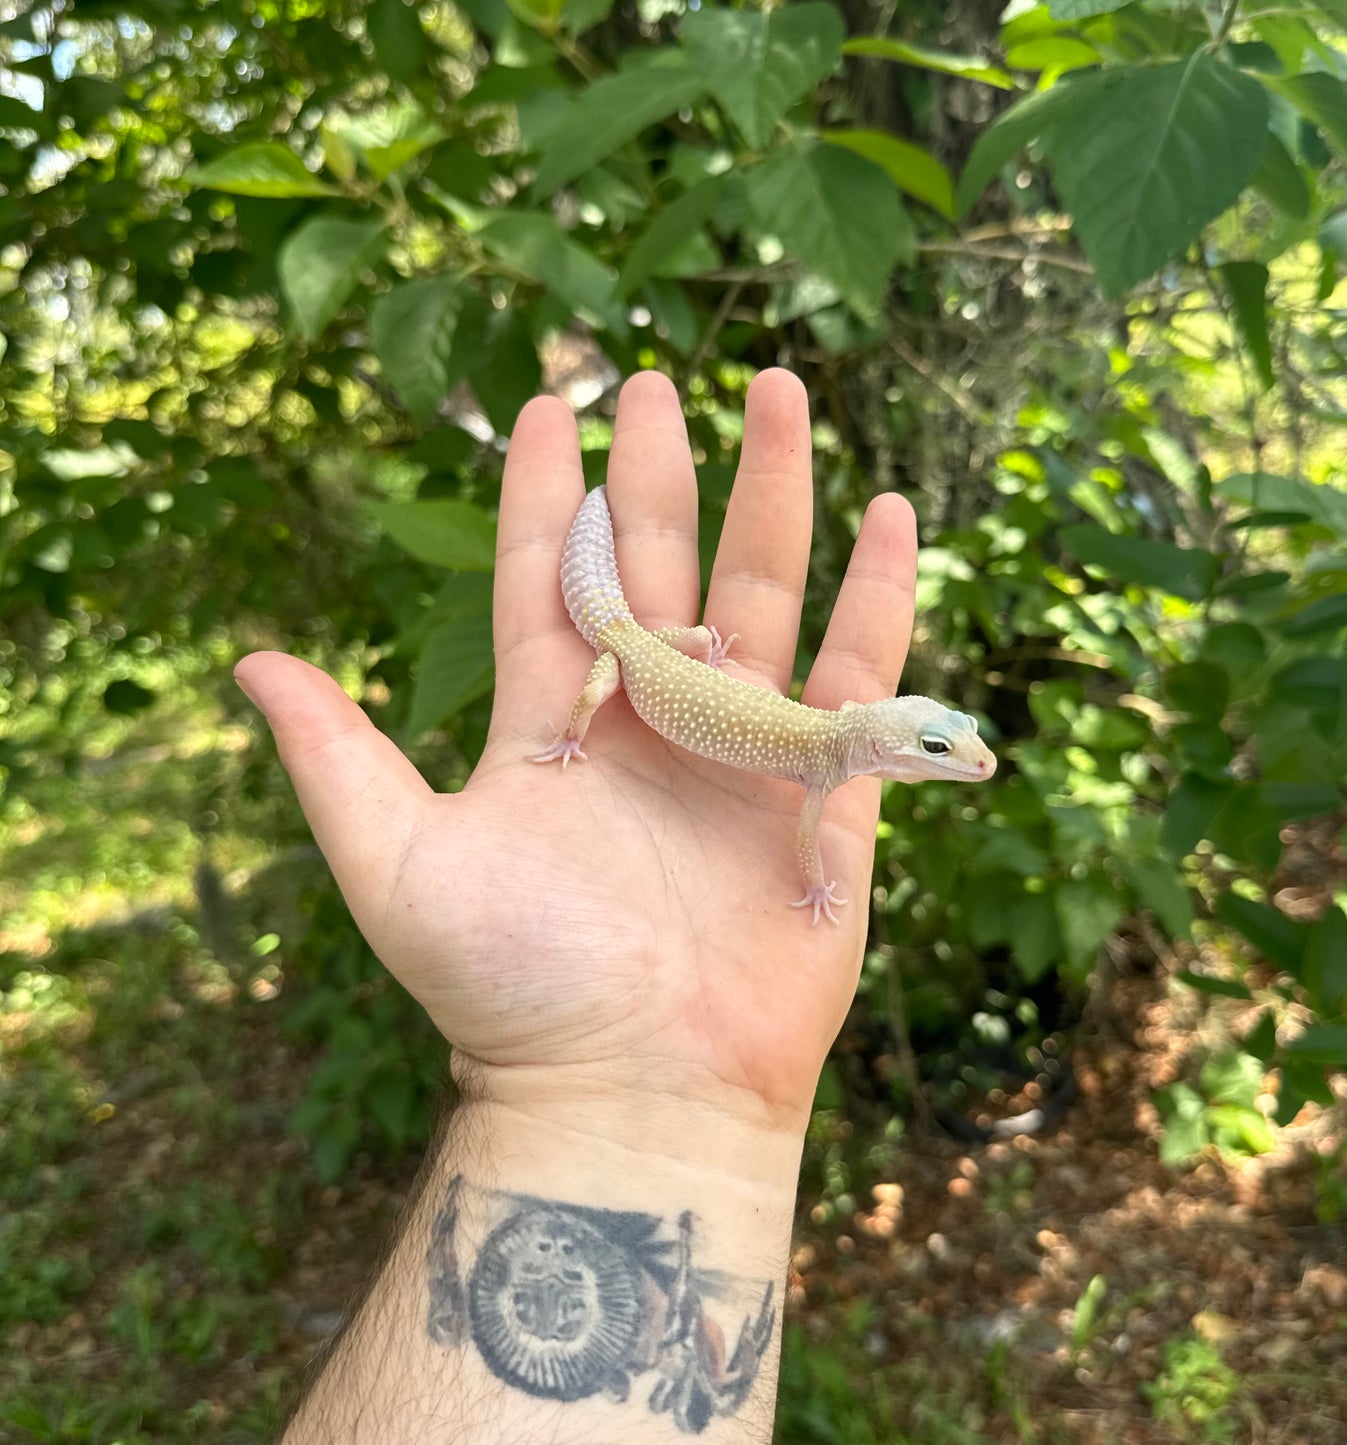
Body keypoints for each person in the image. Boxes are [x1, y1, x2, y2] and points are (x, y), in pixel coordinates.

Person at [235, 368, 921, 1442]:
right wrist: (581, 731)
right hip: (626, 650)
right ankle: (587, 620)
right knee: (606, 659)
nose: (946, 760)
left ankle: (602, 526)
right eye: (930, 746)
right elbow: (800, 838)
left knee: (627, 626)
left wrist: (693, 647)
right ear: (884, 734)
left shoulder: (833, 748)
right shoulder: (815, 757)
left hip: (648, 644)